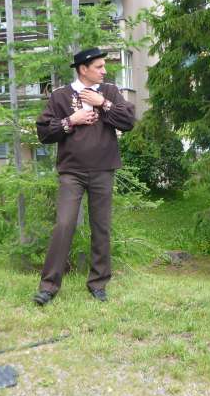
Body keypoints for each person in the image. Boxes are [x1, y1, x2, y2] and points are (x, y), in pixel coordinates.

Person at [34, 47, 136, 305]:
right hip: (72, 172)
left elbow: (128, 121)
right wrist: (72, 120)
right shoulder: (60, 96)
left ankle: (98, 283)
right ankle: (48, 287)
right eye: (99, 67)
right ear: (83, 69)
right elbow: (44, 132)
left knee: (101, 227)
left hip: (103, 170)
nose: (104, 71)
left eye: (104, 66)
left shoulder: (109, 91)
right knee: (64, 224)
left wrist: (103, 103)